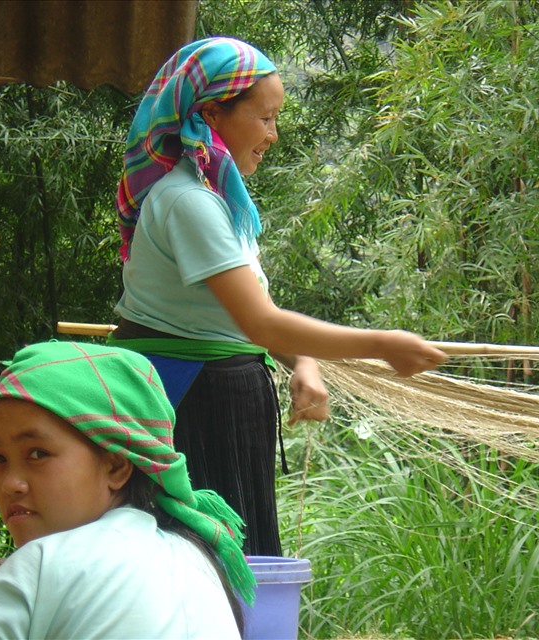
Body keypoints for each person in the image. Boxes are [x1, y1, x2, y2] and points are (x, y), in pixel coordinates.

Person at [109, 36, 448, 557]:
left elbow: (241, 319)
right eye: (264, 118)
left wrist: (305, 362)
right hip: (188, 401)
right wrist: (382, 344)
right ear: (211, 114)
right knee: (199, 563)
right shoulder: (188, 202)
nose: (273, 134)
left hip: (214, 393)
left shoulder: (216, 197)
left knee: (226, 559)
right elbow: (261, 324)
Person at [0, 341, 253, 639]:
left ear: (116, 467)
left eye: (38, 454)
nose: (10, 483)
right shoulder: (196, 560)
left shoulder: (38, 569)